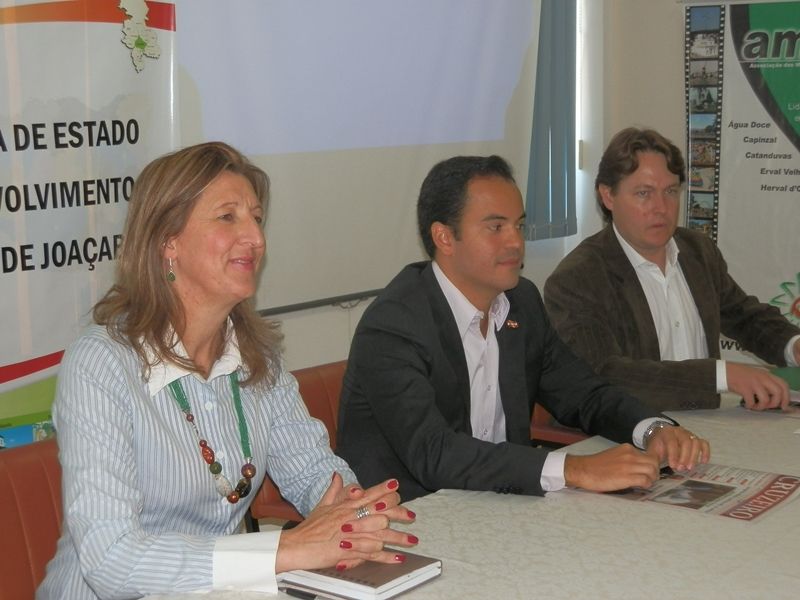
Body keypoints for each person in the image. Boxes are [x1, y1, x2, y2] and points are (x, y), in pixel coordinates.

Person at [38, 142, 416, 599]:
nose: (255, 237)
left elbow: (316, 473)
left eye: (256, 217)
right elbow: (112, 561)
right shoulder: (101, 362)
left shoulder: (258, 356)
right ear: (167, 242)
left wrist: (355, 516)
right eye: (227, 217)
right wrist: (287, 549)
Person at [335, 155, 709, 503]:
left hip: (502, 504)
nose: (516, 241)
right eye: (495, 227)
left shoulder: (521, 302)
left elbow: (583, 393)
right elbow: (434, 453)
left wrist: (652, 429)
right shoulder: (394, 325)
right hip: (413, 516)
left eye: (518, 225)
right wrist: (575, 469)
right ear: (444, 237)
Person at [544, 127, 800, 412]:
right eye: (644, 193)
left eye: (670, 191)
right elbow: (605, 373)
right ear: (608, 196)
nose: (661, 208)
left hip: (710, 420)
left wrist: (793, 345)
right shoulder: (578, 277)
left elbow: (743, 316)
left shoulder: (698, 251)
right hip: (632, 429)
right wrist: (722, 375)